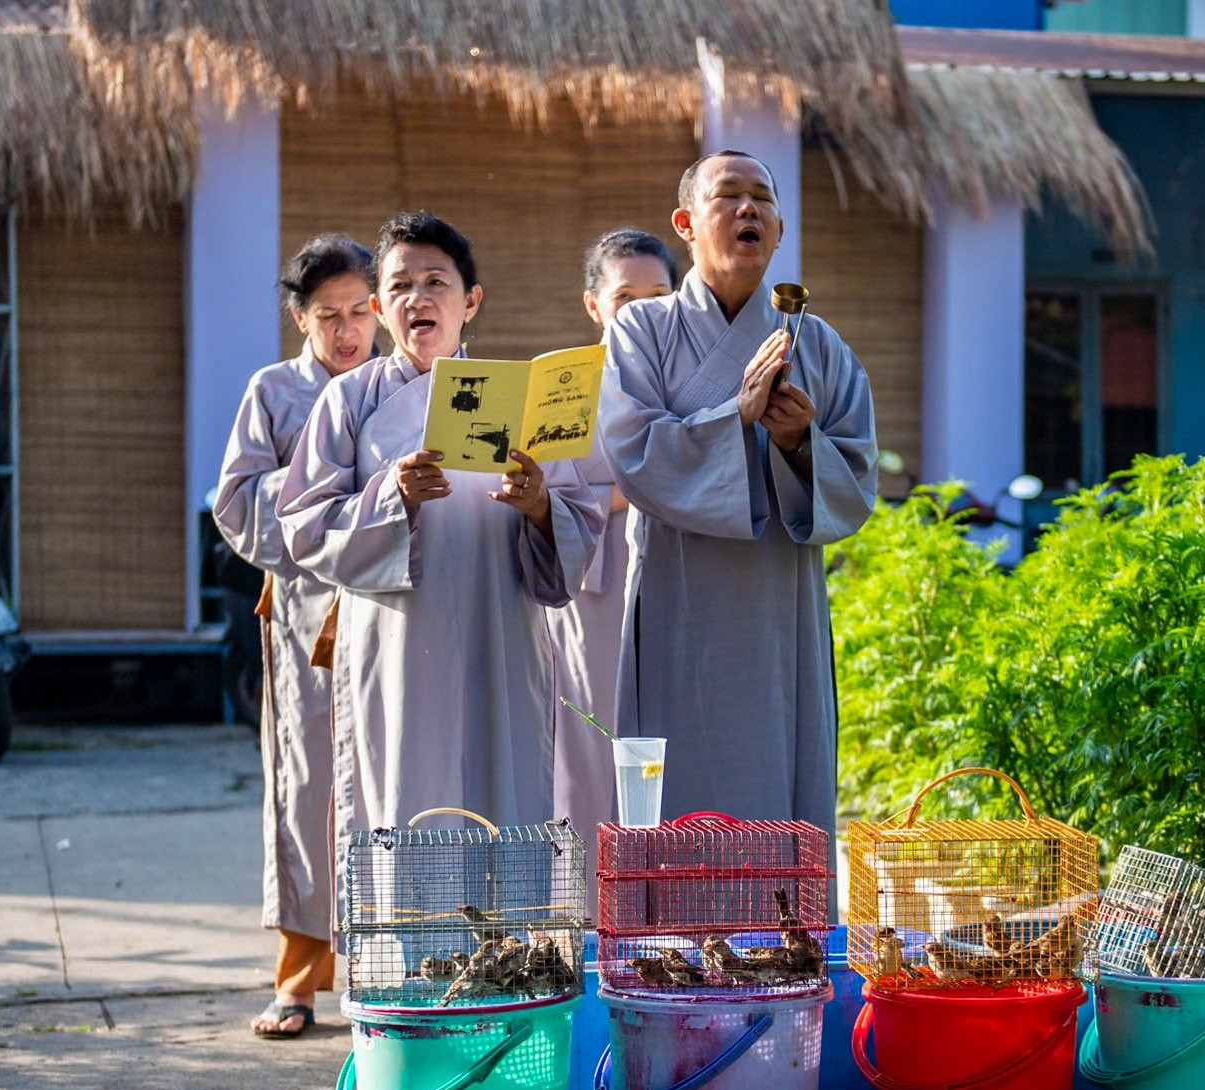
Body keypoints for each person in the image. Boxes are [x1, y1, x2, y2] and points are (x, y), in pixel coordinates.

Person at [278, 212, 604, 862]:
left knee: (502, 805)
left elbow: (578, 524)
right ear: (378, 305)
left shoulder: (522, 397)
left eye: (436, 282)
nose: (418, 298)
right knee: (405, 804)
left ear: (470, 300)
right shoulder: (349, 403)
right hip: (397, 649)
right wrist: (388, 499)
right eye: (399, 286)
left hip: (500, 636)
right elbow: (304, 527)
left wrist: (540, 507)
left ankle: (503, 961)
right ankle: (407, 962)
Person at [598, 151, 878, 836]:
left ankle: (782, 937)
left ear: (780, 232)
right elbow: (632, 451)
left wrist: (798, 445)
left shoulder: (823, 346)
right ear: (687, 222)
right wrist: (735, 418)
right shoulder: (642, 330)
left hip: (777, 602)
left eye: (763, 198)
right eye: (728, 196)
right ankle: (672, 942)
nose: (748, 209)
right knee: (679, 791)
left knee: (775, 783)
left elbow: (858, 476)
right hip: (677, 590)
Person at [212, 234, 377, 1039]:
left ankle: (394, 970)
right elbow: (235, 501)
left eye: (357, 313)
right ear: (298, 318)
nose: (346, 333)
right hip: (309, 611)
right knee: (308, 792)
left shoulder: (408, 385)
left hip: (398, 610)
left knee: (394, 788)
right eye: (327, 317)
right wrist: (322, 486)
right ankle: (300, 982)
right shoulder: (274, 392)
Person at [550, 228, 679, 843]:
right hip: (593, 584)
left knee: (673, 745)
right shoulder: (565, 388)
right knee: (591, 745)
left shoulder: (690, 382)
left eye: (661, 294)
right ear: (593, 305)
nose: (648, 310)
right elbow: (546, 496)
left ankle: (676, 910)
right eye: (628, 296)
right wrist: (642, 484)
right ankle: (591, 914)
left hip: (679, 577)